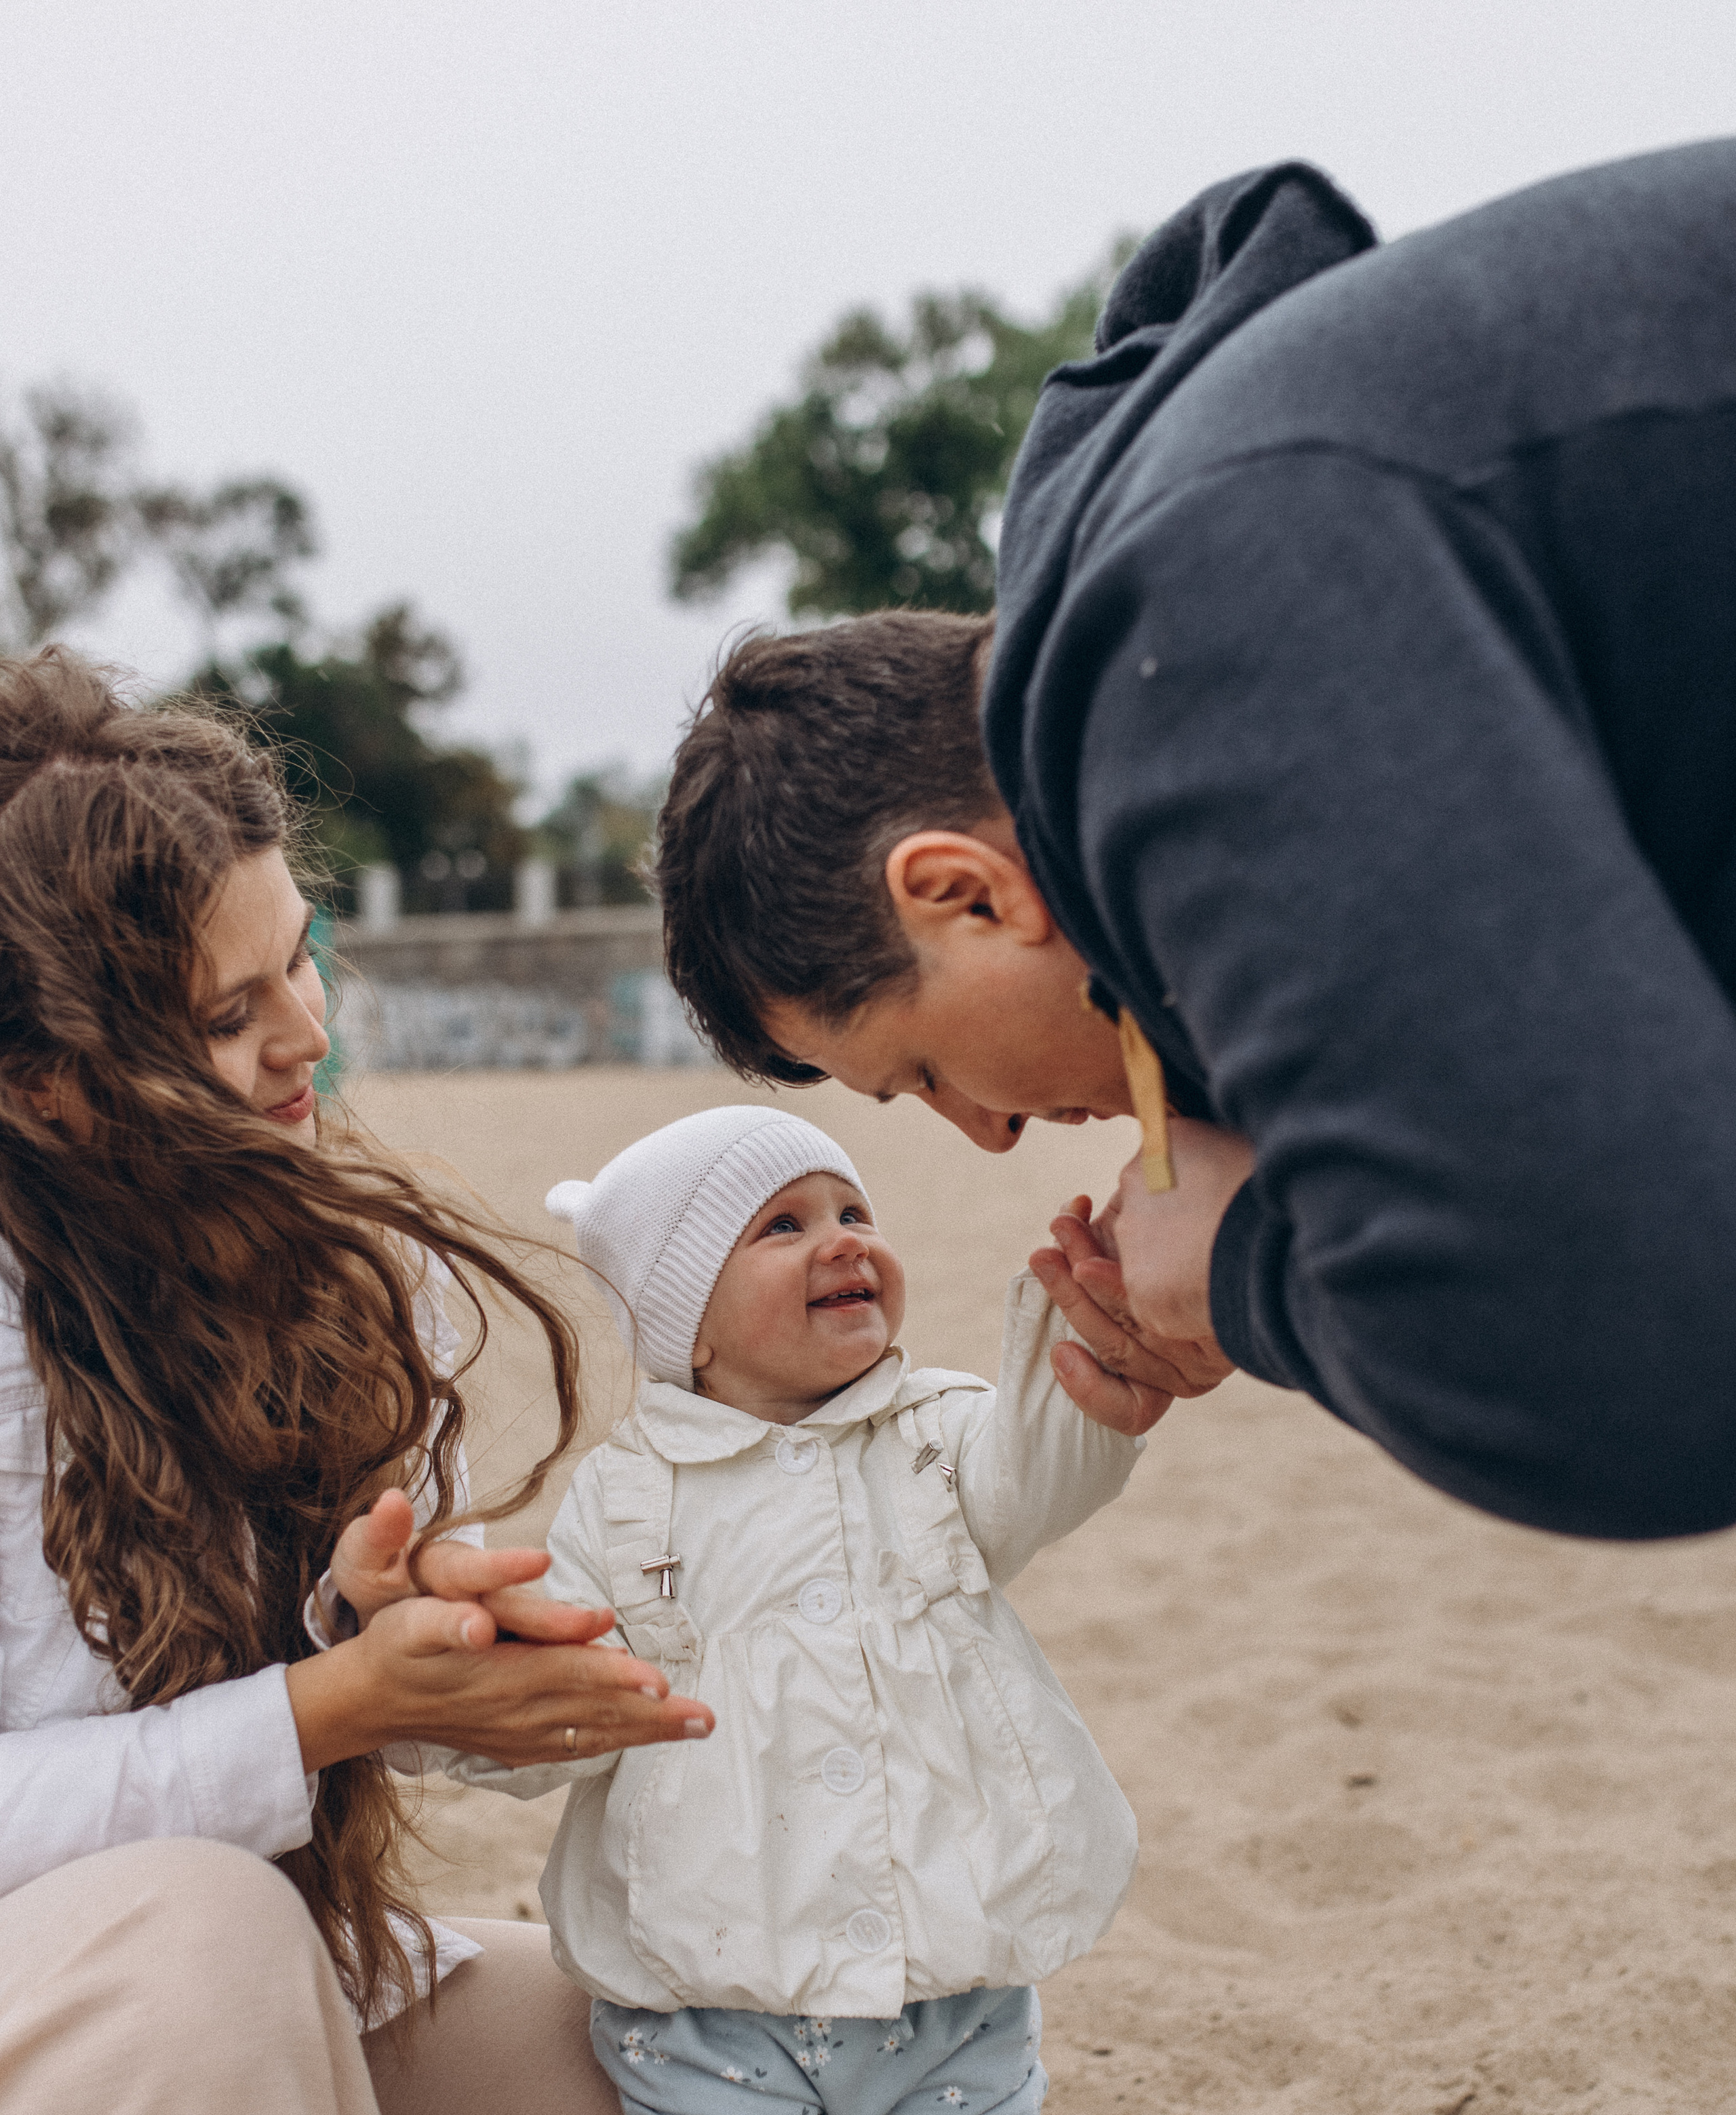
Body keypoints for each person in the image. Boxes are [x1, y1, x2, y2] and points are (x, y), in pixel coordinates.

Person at [652, 140, 1736, 1545]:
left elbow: (1647, 1379)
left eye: (918, 1071)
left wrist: (1246, 1265)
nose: (983, 1136)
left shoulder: (1200, 638)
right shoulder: (1205, 564)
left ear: (960, 897)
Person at [0, 648, 715, 2115]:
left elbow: (201, 1658)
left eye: (299, 958)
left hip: (191, 2056)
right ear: (43, 1085)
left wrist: (371, 1614)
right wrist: (318, 1711)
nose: (307, 1032)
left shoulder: (264, 1233)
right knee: (193, 1940)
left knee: (701, 2063)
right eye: (231, 1014)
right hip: (100, 2026)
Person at [423, 1103, 1226, 2115]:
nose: (840, 1242)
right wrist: (453, 1685)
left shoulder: (929, 1436)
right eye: (778, 1227)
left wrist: (1088, 1367)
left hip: (944, 1976)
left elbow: (1032, 1474)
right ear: (684, 1326)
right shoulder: (619, 1499)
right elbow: (540, 1706)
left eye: (847, 1210)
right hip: (710, 1998)